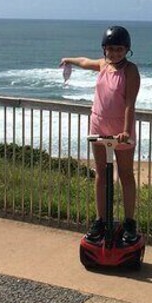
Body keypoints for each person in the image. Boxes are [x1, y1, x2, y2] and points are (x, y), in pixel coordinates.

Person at [60, 26, 141, 244]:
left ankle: (129, 222)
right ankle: (101, 219)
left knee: (125, 175)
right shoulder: (103, 65)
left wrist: (126, 130)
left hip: (121, 130)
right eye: (110, 49)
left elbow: (129, 103)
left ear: (126, 50)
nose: (114, 53)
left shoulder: (130, 70)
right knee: (101, 175)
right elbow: (85, 61)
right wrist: (69, 59)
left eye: (119, 49)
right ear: (104, 49)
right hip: (98, 125)